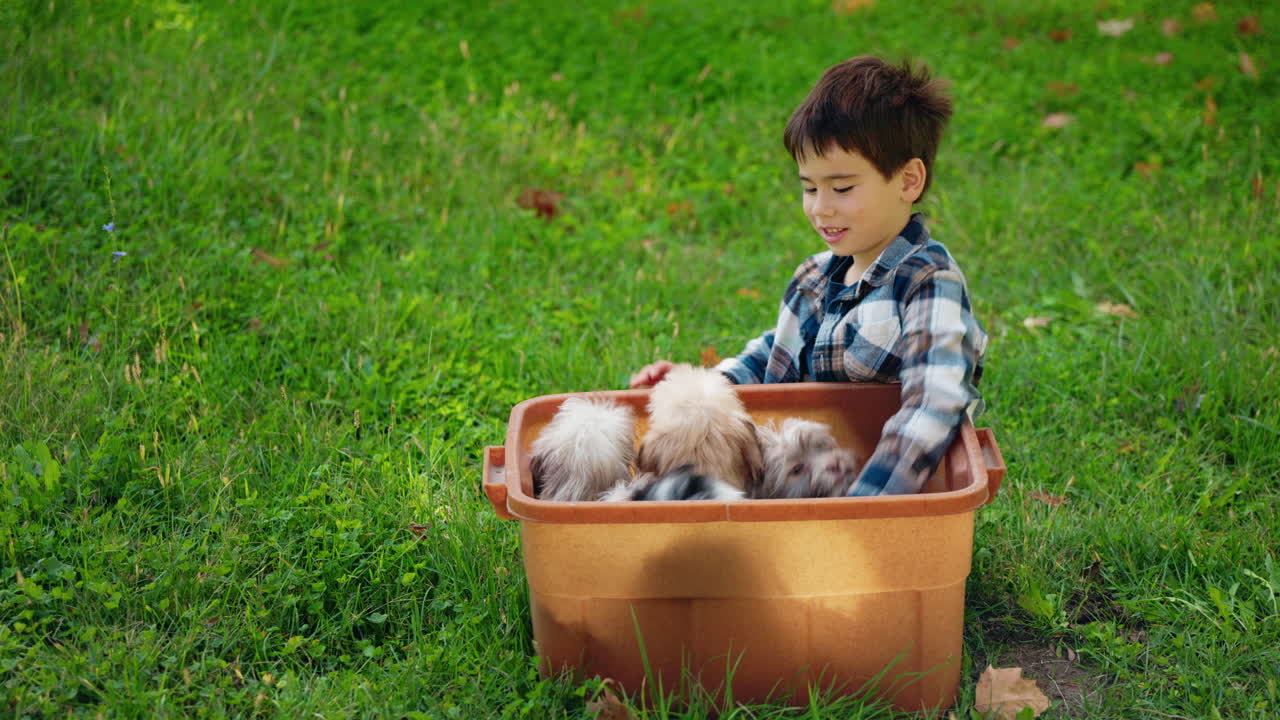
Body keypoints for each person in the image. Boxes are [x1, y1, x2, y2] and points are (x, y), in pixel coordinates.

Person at [628, 56, 987, 496]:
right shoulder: (814, 278)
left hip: (890, 493)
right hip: (803, 478)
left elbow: (935, 403)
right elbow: (772, 361)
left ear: (908, 181)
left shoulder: (927, 284)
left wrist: (868, 502)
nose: (821, 207)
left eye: (841, 188)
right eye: (809, 187)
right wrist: (702, 391)